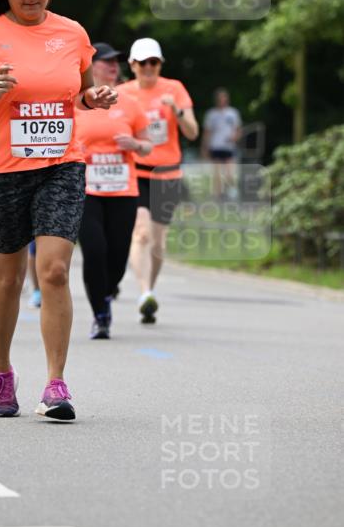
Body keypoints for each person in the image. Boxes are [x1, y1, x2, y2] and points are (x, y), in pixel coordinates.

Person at [0, 0, 117, 420]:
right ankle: (2, 370)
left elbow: (80, 94)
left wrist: (95, 99)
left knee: (56, 270)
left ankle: (56, 384)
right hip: (1, 170)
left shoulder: (72, 34)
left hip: (61, 164)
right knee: (8, 277)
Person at [75, 43, 152, 339]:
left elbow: (147, 145)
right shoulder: (76, 102)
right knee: (95, 251)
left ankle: (106, 290)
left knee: (117, 256)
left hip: (123, 191)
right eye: (106, 62)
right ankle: (100, 314)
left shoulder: (130, 103)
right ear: (91, 66)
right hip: (87, 190)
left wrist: (135, 145)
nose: (112, 66)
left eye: (115, 62)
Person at [124, 38, 198, 324]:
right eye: (143, 63)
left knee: (158, 242)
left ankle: (150, 288)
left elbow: (192, 132)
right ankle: (144, 294)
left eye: (153, 62)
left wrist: (176, 112)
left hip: (167, 173)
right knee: (140, 232)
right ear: (132, 65)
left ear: (160, 64)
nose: (148, 68)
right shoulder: (123, 93)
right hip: (136, 172)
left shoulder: (174, 89)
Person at [202, 87, 242, 198]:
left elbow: (238, 130)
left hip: (229, 147)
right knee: (217, 174)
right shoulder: (211, 114)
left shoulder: (233, 113)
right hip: (216, 147)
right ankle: (218, 196)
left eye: (224, 97)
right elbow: (207, 133)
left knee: (230, 173)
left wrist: (235, 137)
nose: (222, 100)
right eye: (220, 98)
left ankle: (232, 193)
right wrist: (205, 147)